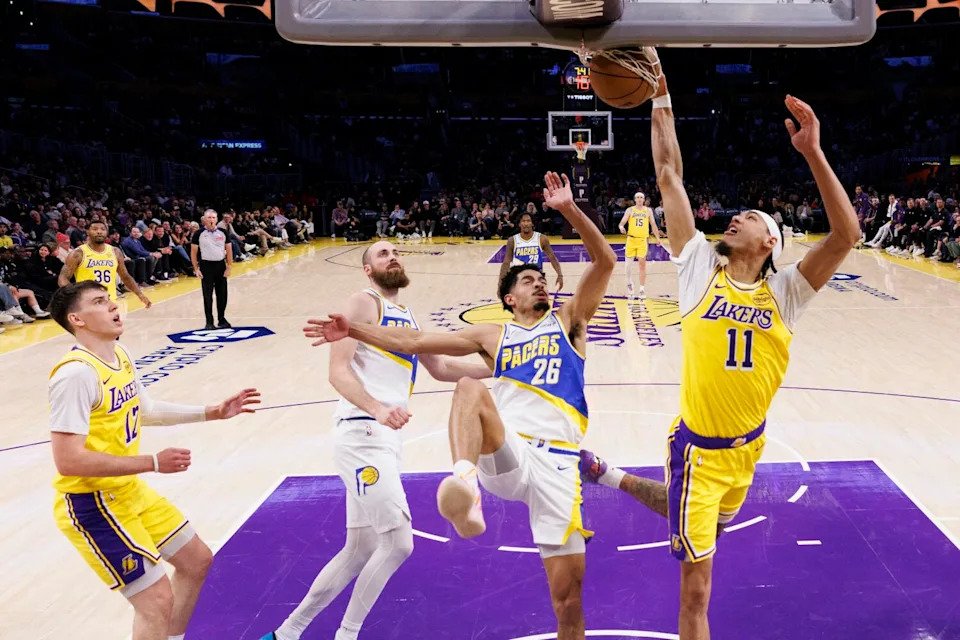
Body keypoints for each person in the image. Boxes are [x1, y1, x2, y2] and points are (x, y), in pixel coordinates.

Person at [583, 77, 859, 640]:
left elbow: (845, 234)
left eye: (751, 217)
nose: (736, 217)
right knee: (697, 592)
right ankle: (621, 480)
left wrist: (813, 152)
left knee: (696, 517)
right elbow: (669, 175)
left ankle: (612, 477)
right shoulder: (697, 270)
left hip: (749, 450)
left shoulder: (785, 292)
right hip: (697, 453)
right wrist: (661, 95)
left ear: (770, 243)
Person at [306, 171, 616, 640]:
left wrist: (569, 209)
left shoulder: (569, 321)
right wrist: (353, 329)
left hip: (559, 463)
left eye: (541, 280)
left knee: (568, 603)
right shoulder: (491, 335)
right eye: (528, 280)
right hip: (510, 452)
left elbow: (605, 260)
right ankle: (466, 488)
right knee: (470, 387)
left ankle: (473, 501)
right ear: (510, 298)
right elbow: (413, 342)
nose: (539, 284)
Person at [262, 241, 489, 640]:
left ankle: (286, 633)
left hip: (381, 437)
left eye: (395, 252)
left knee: (359, 549)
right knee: (399, 543)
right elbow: (338, 370)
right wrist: (378, 408)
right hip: (363, 430)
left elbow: (440, 367)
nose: (393, 256)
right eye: (383, 254)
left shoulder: (406, 314)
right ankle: (346, 635)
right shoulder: (363, 303)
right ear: (368, 270)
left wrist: (499, 367)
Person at [47, 281, 260, 640]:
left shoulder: (120, 354)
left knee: (196, 561)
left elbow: (146, 410)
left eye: (110, 299)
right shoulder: (75, 374)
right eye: (99, 302)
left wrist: (211, 412)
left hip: (128, 490)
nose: (113, 305)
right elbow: (68, 460)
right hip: (92, 502)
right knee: (156, 600)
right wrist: (153, 462)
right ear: (77, 319)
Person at [60, 221, 153, 308]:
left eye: (103, 229)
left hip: (111, 301)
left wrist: (140, 294)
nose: (99, 231)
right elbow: (63, 278)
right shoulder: (78, 253)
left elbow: (125, 276)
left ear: (107, 232)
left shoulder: (115, 251)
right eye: (95, 229)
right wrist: (74, 296)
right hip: (88, 303)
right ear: (87, 232)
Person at [497, 212, 563, 295]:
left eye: (528, 221)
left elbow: (552, 258)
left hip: (536, 280)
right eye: (523, 221)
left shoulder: (542, 239)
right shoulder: (512, 240)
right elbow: (506, 262)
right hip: (519, 280)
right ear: (519, 224)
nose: (526, 223)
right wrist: (500, 284)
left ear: (532, 223)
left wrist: (560, 275)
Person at [190, 209, 232, 330]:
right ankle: (209, 321)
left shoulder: (223, 232)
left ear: (217, 219)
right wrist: (196, 269)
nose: (211, 220)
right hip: (206, 266)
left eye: (213, 217)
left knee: (222, 294)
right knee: (207, 295)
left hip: (220, 266)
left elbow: (229, 250)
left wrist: (229, 266)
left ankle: (222, 319)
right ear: (204, 219)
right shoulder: (198, 233)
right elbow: (193, 253)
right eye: (209, 217)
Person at [618, 191, 663, 299]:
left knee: (642, 265)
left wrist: (658, 238)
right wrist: (621, 227)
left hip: (642, 241)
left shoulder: (648, 211)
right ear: (635, 199)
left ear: (644, 199)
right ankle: (630, 284)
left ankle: (642, 289)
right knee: (627, 267)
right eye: (637, 197)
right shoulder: (630, 210)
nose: (639, 199)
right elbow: (622, 222)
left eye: (641, 197)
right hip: (631, 240)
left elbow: (653, 224)